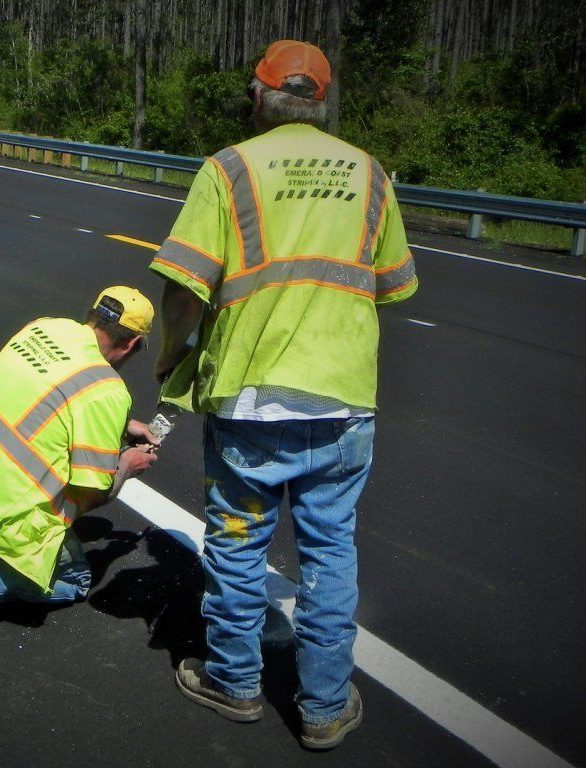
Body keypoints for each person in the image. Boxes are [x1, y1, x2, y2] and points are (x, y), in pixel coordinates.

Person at [149, 39, 418, 750]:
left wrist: (172, 358)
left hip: (248, 398)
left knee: (238, 547)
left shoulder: (229, 169)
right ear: (322, 101)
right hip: (342, 400)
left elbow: (183, 290)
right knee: (331, 552)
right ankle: (325, 704)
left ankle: (234, 683)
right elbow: (392, 284)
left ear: (259, 94)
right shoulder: (370, 173)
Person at [0, 287, 160, 652]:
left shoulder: (43, 328)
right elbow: (92, 496)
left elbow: (53, 390)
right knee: (76, 576)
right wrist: (128, 464)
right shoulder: (108, 391)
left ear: (94, 313)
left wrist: (122, 423)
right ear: (133, 344)